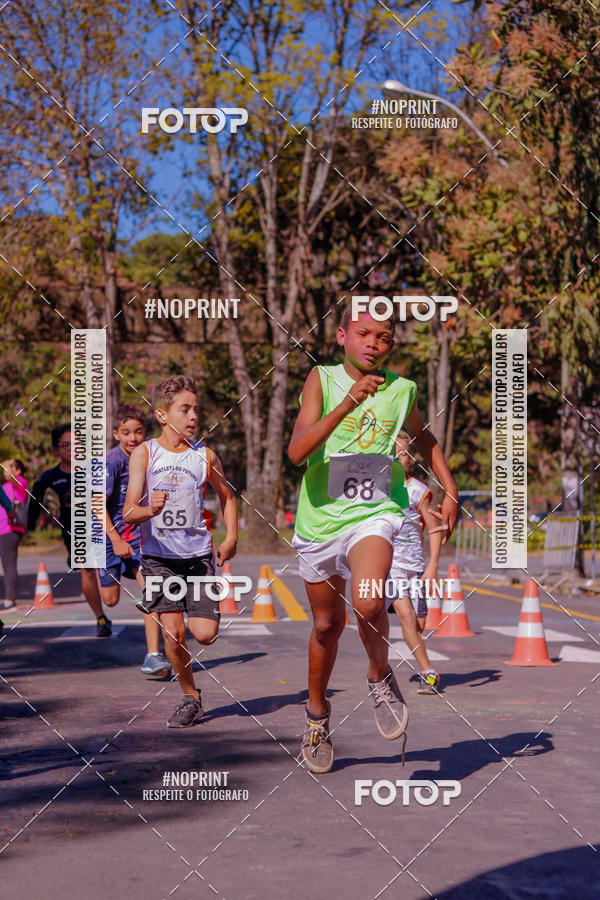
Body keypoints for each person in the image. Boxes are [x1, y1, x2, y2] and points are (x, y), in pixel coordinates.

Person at [288, 304, 458, 773]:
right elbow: (297, 452)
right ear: (342, 335)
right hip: (320, 520)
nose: (373, 344)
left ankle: (379, 674)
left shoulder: (402, 390)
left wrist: (449, 484)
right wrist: (347, 403)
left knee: (367, 603)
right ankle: (317, 717)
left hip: (374, 514)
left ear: (391, 346)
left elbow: (425, 438)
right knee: (326, 626)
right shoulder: (320, 380)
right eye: (363, 333)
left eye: (383, 337)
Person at [123, 375, 238, 727]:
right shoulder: (145, 454)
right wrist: (149, 510)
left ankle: (191, 682)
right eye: (184, 410)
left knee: (204, 634)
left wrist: (231, 536)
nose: (192, 417)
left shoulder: (204, 456)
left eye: (195, 410)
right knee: (173, 634)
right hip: (159, 559)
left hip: (198, 557)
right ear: (162, 415)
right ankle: (191, 697)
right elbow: (129, 511)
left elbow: (228, 496)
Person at [94, 404, 171, 677]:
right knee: (111, 599)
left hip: (139, 534)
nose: (133, 438)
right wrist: (114, 540)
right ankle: (111, 569)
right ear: (116, 434)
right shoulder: (110, 462)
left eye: (138, 432)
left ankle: (153, 656)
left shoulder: (149, 456)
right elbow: (97, 506)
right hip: (108, 535)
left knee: (151, 592)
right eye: (126, 432)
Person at [27, 424, 111, 637]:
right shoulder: (51, 476)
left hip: (102, 528)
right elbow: (35, 496)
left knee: (109, 580)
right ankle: (100, 618)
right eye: (66, 445)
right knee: (87, 570)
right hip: (74, 532)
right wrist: (30, 523)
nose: (72, 449)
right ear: (57, 450)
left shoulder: (95, 468)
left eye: (76, 444)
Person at [388, 433, 442, 695]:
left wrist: (432, 565)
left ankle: (382, 665)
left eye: (406, 453)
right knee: (405, 615)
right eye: (396, 452)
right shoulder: (375, 491)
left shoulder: (419, 491)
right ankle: (428, 672)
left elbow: (434, 529)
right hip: (389, 566)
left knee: (418, 625)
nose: (401, 457)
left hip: (416, 567)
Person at [0, 459, 26, 610]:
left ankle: (10, 598)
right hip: (3, 528)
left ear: (18, 471)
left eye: (11, 467)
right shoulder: (5, 486)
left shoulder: (20, 483)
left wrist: (5, 466)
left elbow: (10, 477)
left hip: (10, 529)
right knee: (6, 563)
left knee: (9, 564)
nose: (6, 470)